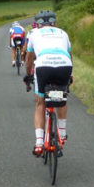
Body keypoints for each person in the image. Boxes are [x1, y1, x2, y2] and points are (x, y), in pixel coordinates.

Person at [22, 10, 72, 156]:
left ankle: (39, 143)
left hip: (43, 65)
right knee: (62, 98)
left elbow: (29, 59)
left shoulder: (33, 34)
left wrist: (27, 74)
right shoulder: (63, 33)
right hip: (64, 65)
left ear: (37, 25)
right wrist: (71, 75)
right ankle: (62, 135)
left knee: (40, 103)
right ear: (54, 23)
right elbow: (69, 55)